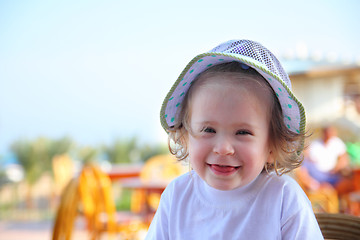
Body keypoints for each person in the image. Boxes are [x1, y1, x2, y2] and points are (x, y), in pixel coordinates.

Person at [146, 40, 323, 239]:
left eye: (242, 132)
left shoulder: (283, 198)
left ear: (272, 146)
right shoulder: (177, 196)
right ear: (186, 135)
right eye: (208, 129)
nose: (223, 148)